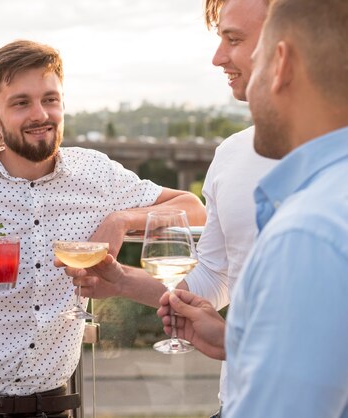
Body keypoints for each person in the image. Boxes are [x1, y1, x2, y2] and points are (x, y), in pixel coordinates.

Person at [0, 39, 205, 417]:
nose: (40, 113)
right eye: (21, 102)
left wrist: (121, 219)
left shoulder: (96, 173)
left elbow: (193, 208)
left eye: (50, 99)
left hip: (55, 406)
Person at [61, 0, 276, 414]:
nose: (217, 58)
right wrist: (122, 280)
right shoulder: (231, 155)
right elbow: (215, 279)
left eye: (234, 39)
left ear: (287, 40)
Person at [159, 0, 348, 416]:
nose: (217, 59)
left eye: (241, 43)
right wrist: (238, 342)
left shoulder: (309, 230)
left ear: (280, 63)